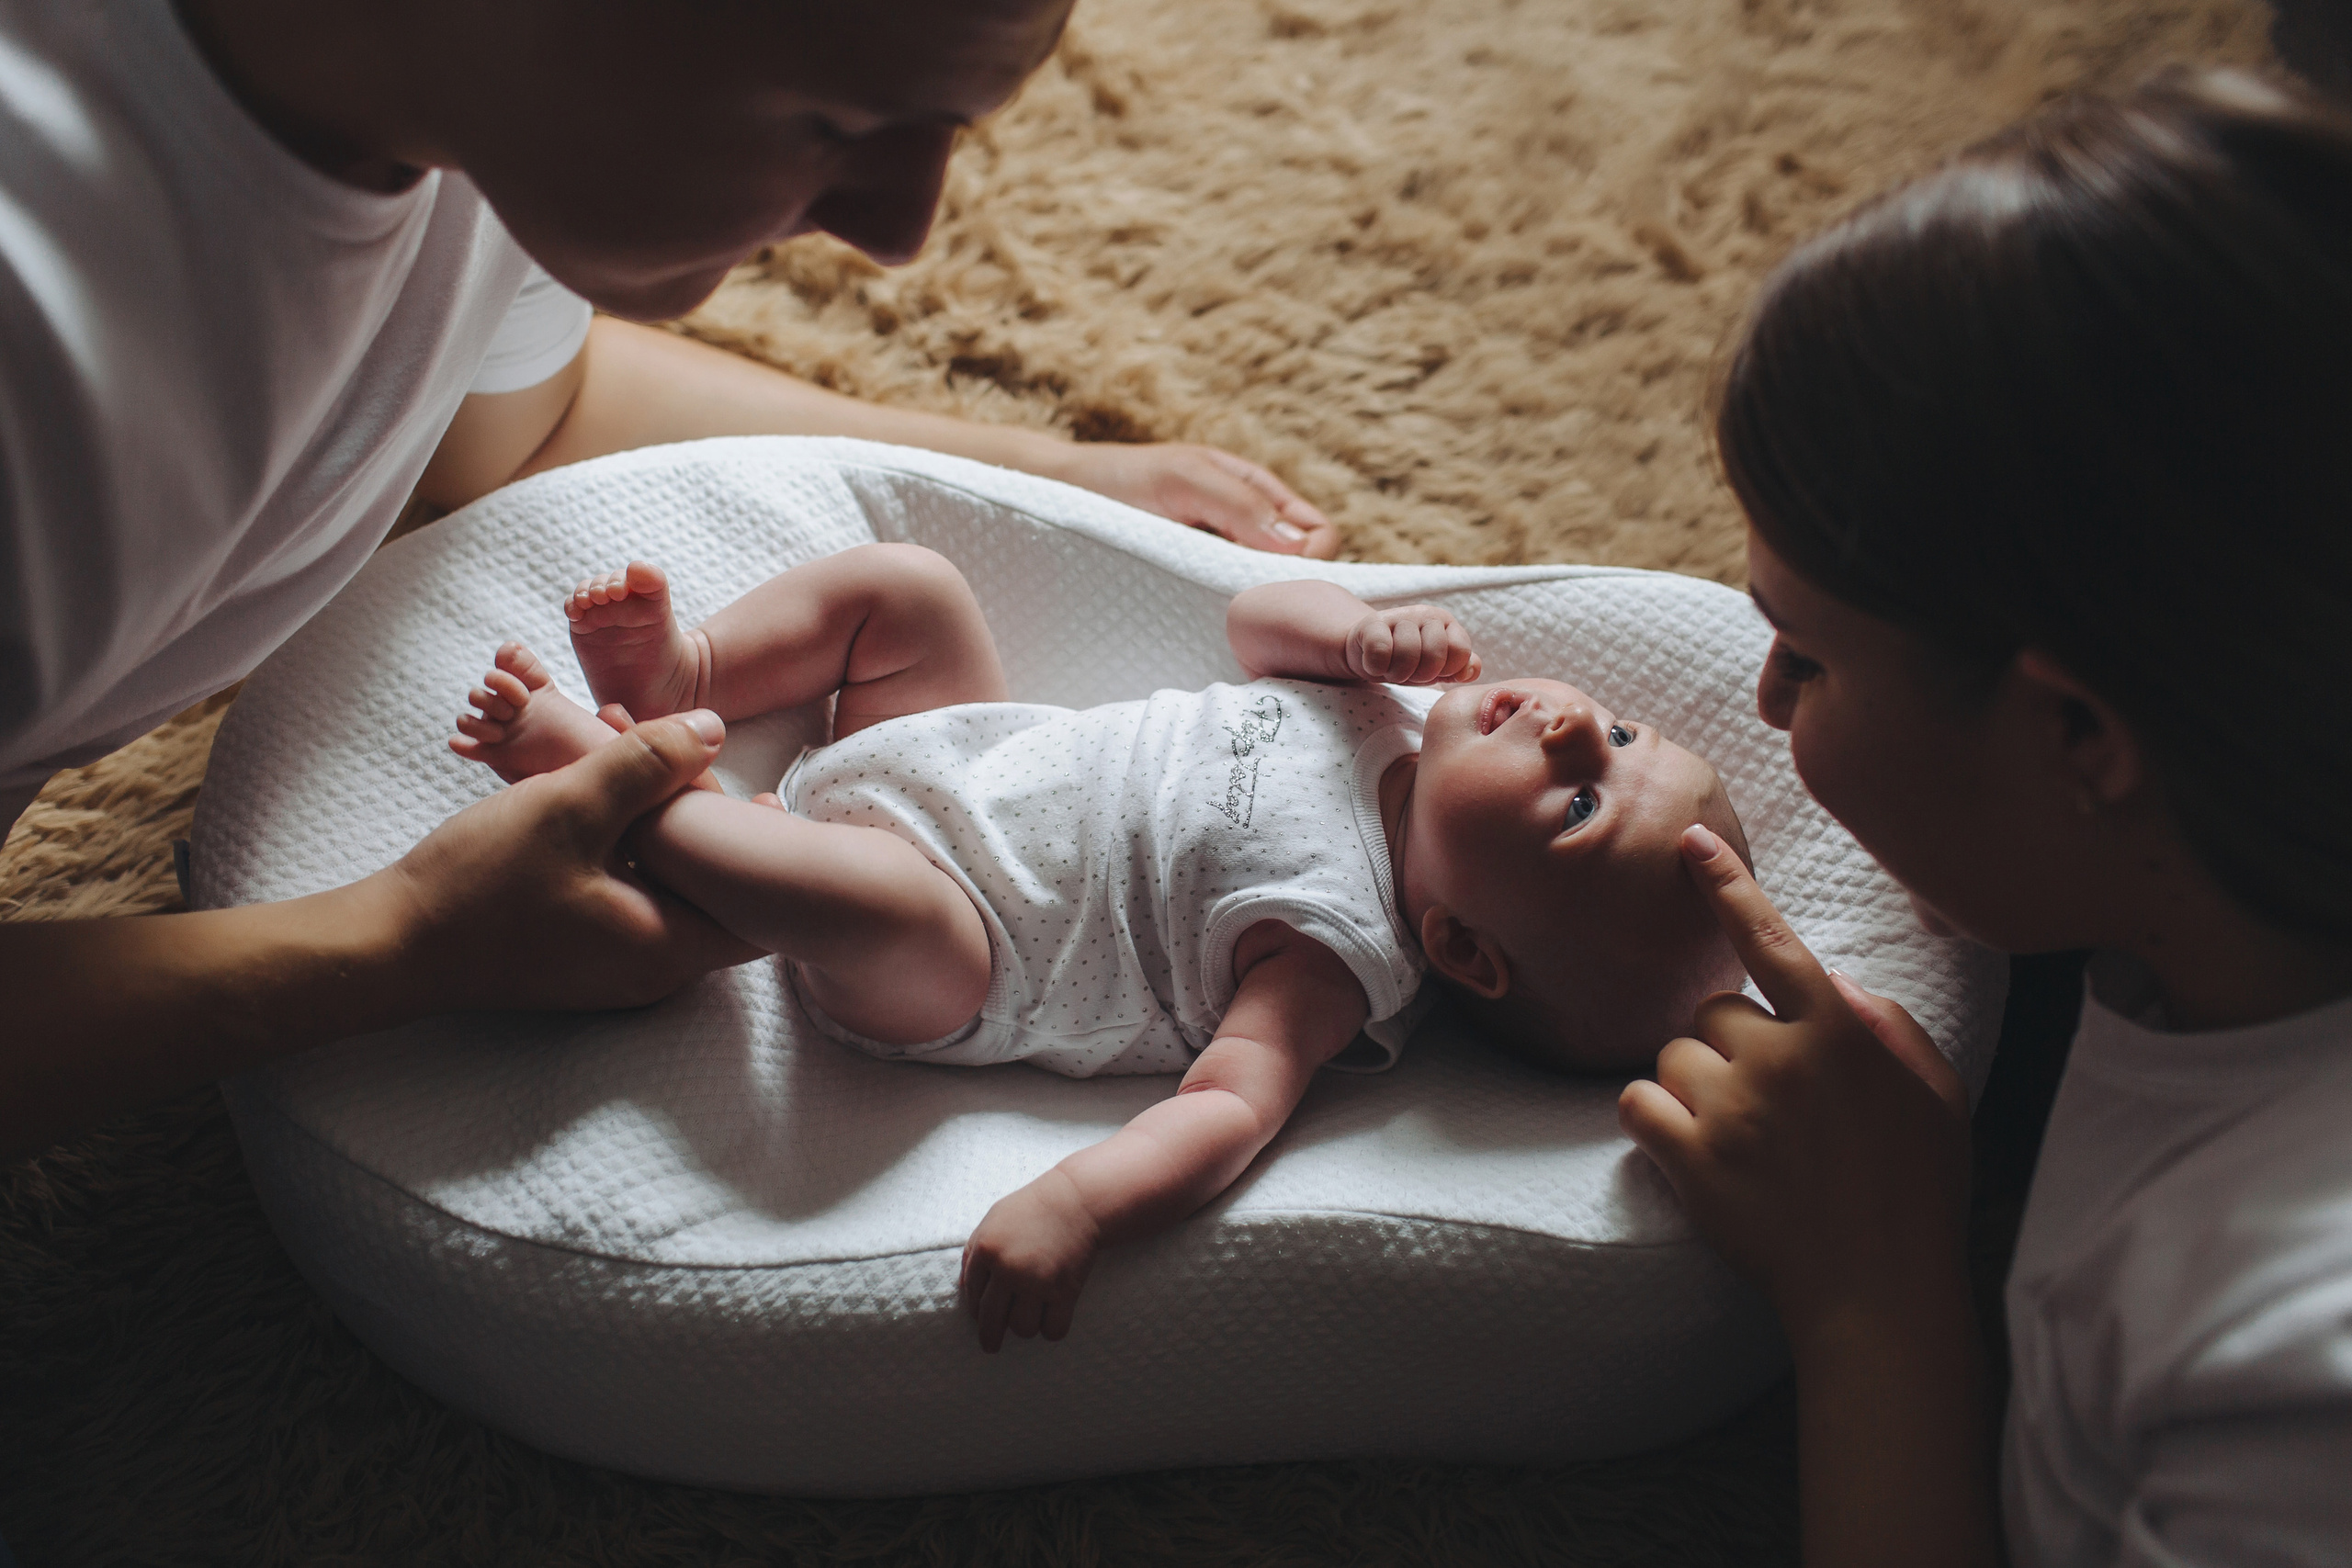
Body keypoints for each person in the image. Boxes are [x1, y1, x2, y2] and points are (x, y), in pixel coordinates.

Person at [0, 0, 1340, 1162]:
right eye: (832, 121)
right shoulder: (44, 359)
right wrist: (403, 942)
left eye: (952, 130)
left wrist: (1044, 471)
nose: (900, 234)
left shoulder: (457, 108)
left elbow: (517, 414)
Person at [1614, 70, 2352, 1568]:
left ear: (2079, 736)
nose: (1759, 701)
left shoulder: (2290, 1390)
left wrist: (1873, 1297)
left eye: (1808, 657)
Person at [445, 547, 1750, 1350]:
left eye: (1577, 804)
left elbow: (1230, 1109)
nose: (1581, 732)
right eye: (1623, 738)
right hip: (968, 748)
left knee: (868, 908)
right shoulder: (1386, 707)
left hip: (970, 940)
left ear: (1463, 948)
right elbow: (1253, 624)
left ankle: (626, 788)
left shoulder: (1339, 952)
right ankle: (696, 670)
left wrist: (1076, 1206)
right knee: (910, 590)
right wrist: (1349, 629)